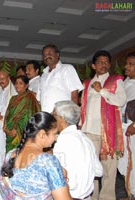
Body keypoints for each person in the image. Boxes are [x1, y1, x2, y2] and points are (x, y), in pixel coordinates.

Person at [80, 50, 126, 200]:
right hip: (89, 131)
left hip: (108, 131)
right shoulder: (87, 83)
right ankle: (92, 197)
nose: (104, 65)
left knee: (109, 168)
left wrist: (102, 91)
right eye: (100, 62)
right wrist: (80, 125)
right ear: (93, 65)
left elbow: (120, 101)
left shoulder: (116, 80)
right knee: (91, 167)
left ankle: (107, 197)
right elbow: (83, 106)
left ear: (110, 64)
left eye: (106, 62)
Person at [0, 112, 71, 200]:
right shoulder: (48, 161)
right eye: (54, 134)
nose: (56, 138)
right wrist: (64, 181)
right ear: (42, 134)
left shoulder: (11, 154)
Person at [53, 100, 103, 199]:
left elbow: (59, 176)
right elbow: (99, 171)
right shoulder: (85, 138)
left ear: (62, 119)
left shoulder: (63, 140)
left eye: (54, 115)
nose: (52, 119)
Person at [40, 44, 83, 112]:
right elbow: (39, 99)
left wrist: (72, 115)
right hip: (46, 117)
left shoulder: (67, 68)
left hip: (63, 115)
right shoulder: (43, 75)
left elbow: (74, 93)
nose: (47, 56)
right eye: (44, 55)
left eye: (49, 53)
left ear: (57, 55)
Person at [3, 75, 40, 153]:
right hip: (9, 131)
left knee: (18, 157)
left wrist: (16, 130)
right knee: (9, 156)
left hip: (20, 133)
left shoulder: (29, 98)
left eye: (20, 83)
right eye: (16, 83)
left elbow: (28, 117)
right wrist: (5, 127)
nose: (17, 85)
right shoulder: (13, 98)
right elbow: (7, 113)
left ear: (26, 85)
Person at [0, 70, 17, 175]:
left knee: (10, 149)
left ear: (8, 78)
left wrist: (5, 115)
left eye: (3, 78)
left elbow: (15, 107)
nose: (1, 81)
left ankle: (10, 173)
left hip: (10, 124)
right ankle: (1, 175)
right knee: (0, 150)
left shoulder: (14, 90)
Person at [118, 51, 135, 200]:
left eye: (131, 64)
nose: (126, 66)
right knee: (126, 163)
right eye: (127, 63)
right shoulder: (124, 82)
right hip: (124, 128)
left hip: (133, 128)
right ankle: (130, 193)